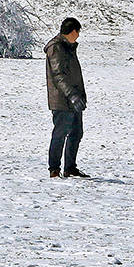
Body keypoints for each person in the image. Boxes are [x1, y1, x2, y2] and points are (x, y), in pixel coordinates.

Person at [44, 17, 87, 179]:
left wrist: (79, 96)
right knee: (60, 133)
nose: (78, 36)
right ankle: (54, 169)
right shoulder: (56, 48)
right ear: (73, 31)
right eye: (78, 32)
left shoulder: (68, 47)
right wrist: (72, 95)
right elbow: (58, 75)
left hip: (74, 99)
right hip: (62, 100)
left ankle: (70, 167)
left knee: (76, 132)